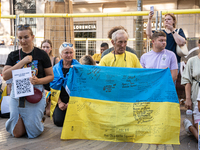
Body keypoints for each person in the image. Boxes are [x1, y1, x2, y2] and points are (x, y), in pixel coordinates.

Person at [2, 24, 54, 138]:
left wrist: (38, 81)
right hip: (17, 94)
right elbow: (5, 76)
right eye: (20, 38)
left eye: (26, 37)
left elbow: (51, 76)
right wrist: (22, 62)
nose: (23, 40)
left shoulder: (42, 54)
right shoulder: (13, 55)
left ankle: (37, 121)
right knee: (17, 134)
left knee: (34, 133)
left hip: (35, 94)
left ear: (32, 37)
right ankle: (24, 120)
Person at [50, 42, 80, 127]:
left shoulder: (78, 68)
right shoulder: (55, 69)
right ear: (61, 55)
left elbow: (81, 87)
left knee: (74, 122)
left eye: (71, 52)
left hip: (74, 100)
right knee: (59, 122)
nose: (69, 55)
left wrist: (71, 103)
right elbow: (53, 87)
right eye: (66, 53)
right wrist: (59, 102)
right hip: (60, 100)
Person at [181, 39, 200, 140]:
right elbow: (187, 81)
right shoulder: (192, 61)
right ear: (199, 45)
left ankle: (190, 127)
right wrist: (188, 98)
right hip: (196, 97)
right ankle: (191, 127)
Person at [41, 39, 60, 117]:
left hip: (52, 86)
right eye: (43, 47)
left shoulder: (55, 60)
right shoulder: (39, 60)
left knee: (48, 113)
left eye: (47, 47)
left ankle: (49, 104)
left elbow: (58, 77)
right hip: (42, 86)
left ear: (51, 48)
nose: (45, 49)